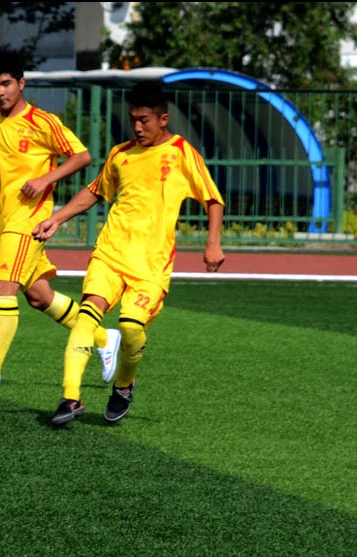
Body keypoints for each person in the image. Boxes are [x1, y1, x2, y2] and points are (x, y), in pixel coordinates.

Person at [32, 79, 225, 426]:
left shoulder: (182, 152)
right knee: (88, 314)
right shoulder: (120, 154)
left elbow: (212, 198)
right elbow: (94, 192)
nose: (137, 126)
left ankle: (123, 385)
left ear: (163, 119)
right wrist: (56, 219)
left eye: (144, 120)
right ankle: (70, 397)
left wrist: (213, 243)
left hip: (151, 265)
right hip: (110, 252)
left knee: (131, 328)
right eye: (133, 119)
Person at [0, 49, 120, 394]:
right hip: (5, 218)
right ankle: (103, 336)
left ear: (21, 84)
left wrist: (44, 180)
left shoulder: (43, 121)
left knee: (2, 288)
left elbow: (82, 156)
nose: (0, 91)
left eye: (6, 83)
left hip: (30, 220)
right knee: (38, 296)